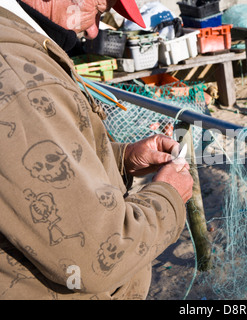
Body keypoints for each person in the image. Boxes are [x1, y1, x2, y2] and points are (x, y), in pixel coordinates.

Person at [0, 0, 193, 300]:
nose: (93, 31)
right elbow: (99, 255)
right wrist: (168, 198)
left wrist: (120, 159)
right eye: (100, 10)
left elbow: (24, 173)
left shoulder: (18, 49)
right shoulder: (22, 80)